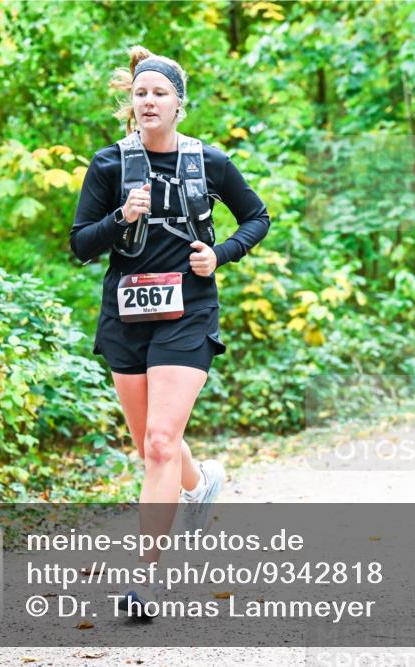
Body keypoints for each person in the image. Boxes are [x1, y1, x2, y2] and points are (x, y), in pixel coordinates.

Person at [70, 47, 270, 617]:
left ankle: (146, 580)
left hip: (189, 311)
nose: (149, 101)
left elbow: (258, 216)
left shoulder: (210, 162)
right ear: (130, 105)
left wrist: (221, 253)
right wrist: (121, 219)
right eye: (140, 93)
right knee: (149, 445)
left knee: (159, 440)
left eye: (160, 93)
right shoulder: (110, 165)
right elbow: (81, 245)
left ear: (179, 104)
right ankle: (200, 480)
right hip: (126, 316)